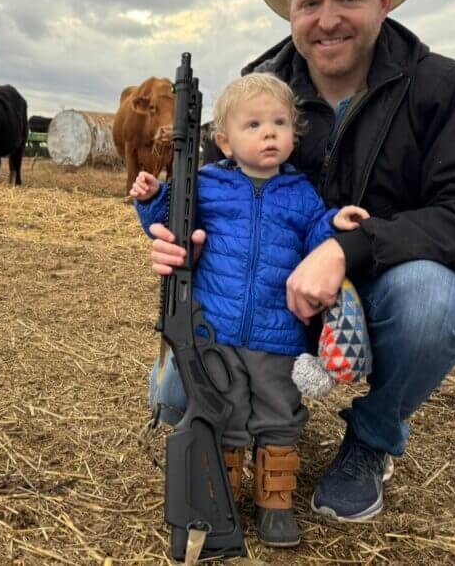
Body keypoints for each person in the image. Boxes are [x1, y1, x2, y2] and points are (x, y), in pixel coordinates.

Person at [146, 0, 455, 527]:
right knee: (174, 398)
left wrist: (346, 248)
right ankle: (239, 440)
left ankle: (370, 442)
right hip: (268, 299)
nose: (328, 19)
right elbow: (210, 198)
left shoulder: (446, 87)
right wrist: (181, 240)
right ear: (289, 10)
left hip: (376, 293)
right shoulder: (256, 90)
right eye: (310, 2)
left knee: (433, 302)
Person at [133, 73, 368, 547]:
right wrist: (153, 198)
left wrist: (335, 223)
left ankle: (275, 502)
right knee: (227, 414)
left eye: (280, 123)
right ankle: (223, 496)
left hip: (278, 335)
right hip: (217, 332)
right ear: (225, 141)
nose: (269, 133)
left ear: (294, 134)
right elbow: (173, 225)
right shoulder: (207, 185)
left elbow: (316, 237)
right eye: (254, 124)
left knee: (280, 415)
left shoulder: (301, 194)